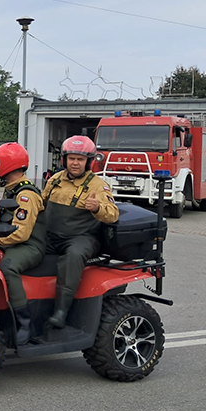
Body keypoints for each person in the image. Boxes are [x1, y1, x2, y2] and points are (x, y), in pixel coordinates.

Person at [41, 135, 119, 329]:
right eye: (72, 158)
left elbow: (113, 215)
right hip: (51, 236)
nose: (75, 163)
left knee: (73, 256)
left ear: (88, 162)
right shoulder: (55, 179)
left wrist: (97, 208)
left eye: (80, 159)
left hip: (81, 237)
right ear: (64, 159)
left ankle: (61, 311)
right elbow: (41, 203)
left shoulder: (98, 185)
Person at [0, 142, 45, 346]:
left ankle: (25, 323)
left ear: (8, 164)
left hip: (30, 246)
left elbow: (21, 234)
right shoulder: (11, 190)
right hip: (12, 242)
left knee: (7, 268)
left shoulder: (26, 195)